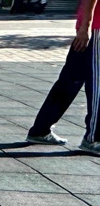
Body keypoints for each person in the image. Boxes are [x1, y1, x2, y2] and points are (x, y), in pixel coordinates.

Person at [26, 0, 99, 155]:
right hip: (95, 30)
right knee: (96, 86)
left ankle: (40, 130)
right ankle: (94, 139)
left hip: (91, 30)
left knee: (69, 82)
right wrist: (85, 27)